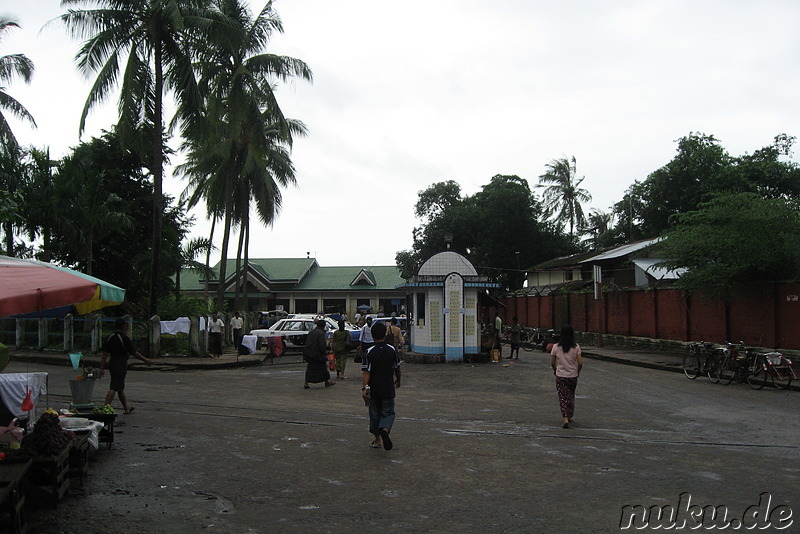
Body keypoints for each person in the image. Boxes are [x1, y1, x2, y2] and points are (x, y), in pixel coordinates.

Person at [361, 321, 402, 450]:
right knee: (388, 412)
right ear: (385, 334)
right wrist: (398, 379)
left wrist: (364, 388)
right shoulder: (392, 350)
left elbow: (366, 372)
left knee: (374, 414)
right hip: (388, 387)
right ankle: (385, 428)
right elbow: (397, 368)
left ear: (372, 336)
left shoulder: (369, 352)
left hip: (374, 389)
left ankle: (377, 439)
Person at [99, 318, 153, 414]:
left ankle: (126, 407)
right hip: (121, 363)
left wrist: (101, 368)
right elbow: (134, 353)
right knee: (114, 386)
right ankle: (105, 406)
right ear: (123, 327)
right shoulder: (124, 339)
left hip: (112, 362)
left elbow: (104, 355)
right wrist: (146, 360)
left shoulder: (109, 337)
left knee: (119, 387)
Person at [550, 324, 583, 428]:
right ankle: (569, 415)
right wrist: (577, 371)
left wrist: (555, 370)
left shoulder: (556, 347)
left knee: (562, 397)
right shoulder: (576, 347)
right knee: (571, 396)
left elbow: (552, 362)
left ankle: (565, 418)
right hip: (572, 375)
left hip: (561, 375)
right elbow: (580, 362)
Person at [304, 319, 336, 389]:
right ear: (323, 326)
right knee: (323, 368)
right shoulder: (321, 333)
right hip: (318, 354)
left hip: (310, 353)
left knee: (310, 369)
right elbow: (322, 345)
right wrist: (325, 352)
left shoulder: (311, 332)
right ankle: (326, 382)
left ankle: (306, 383)